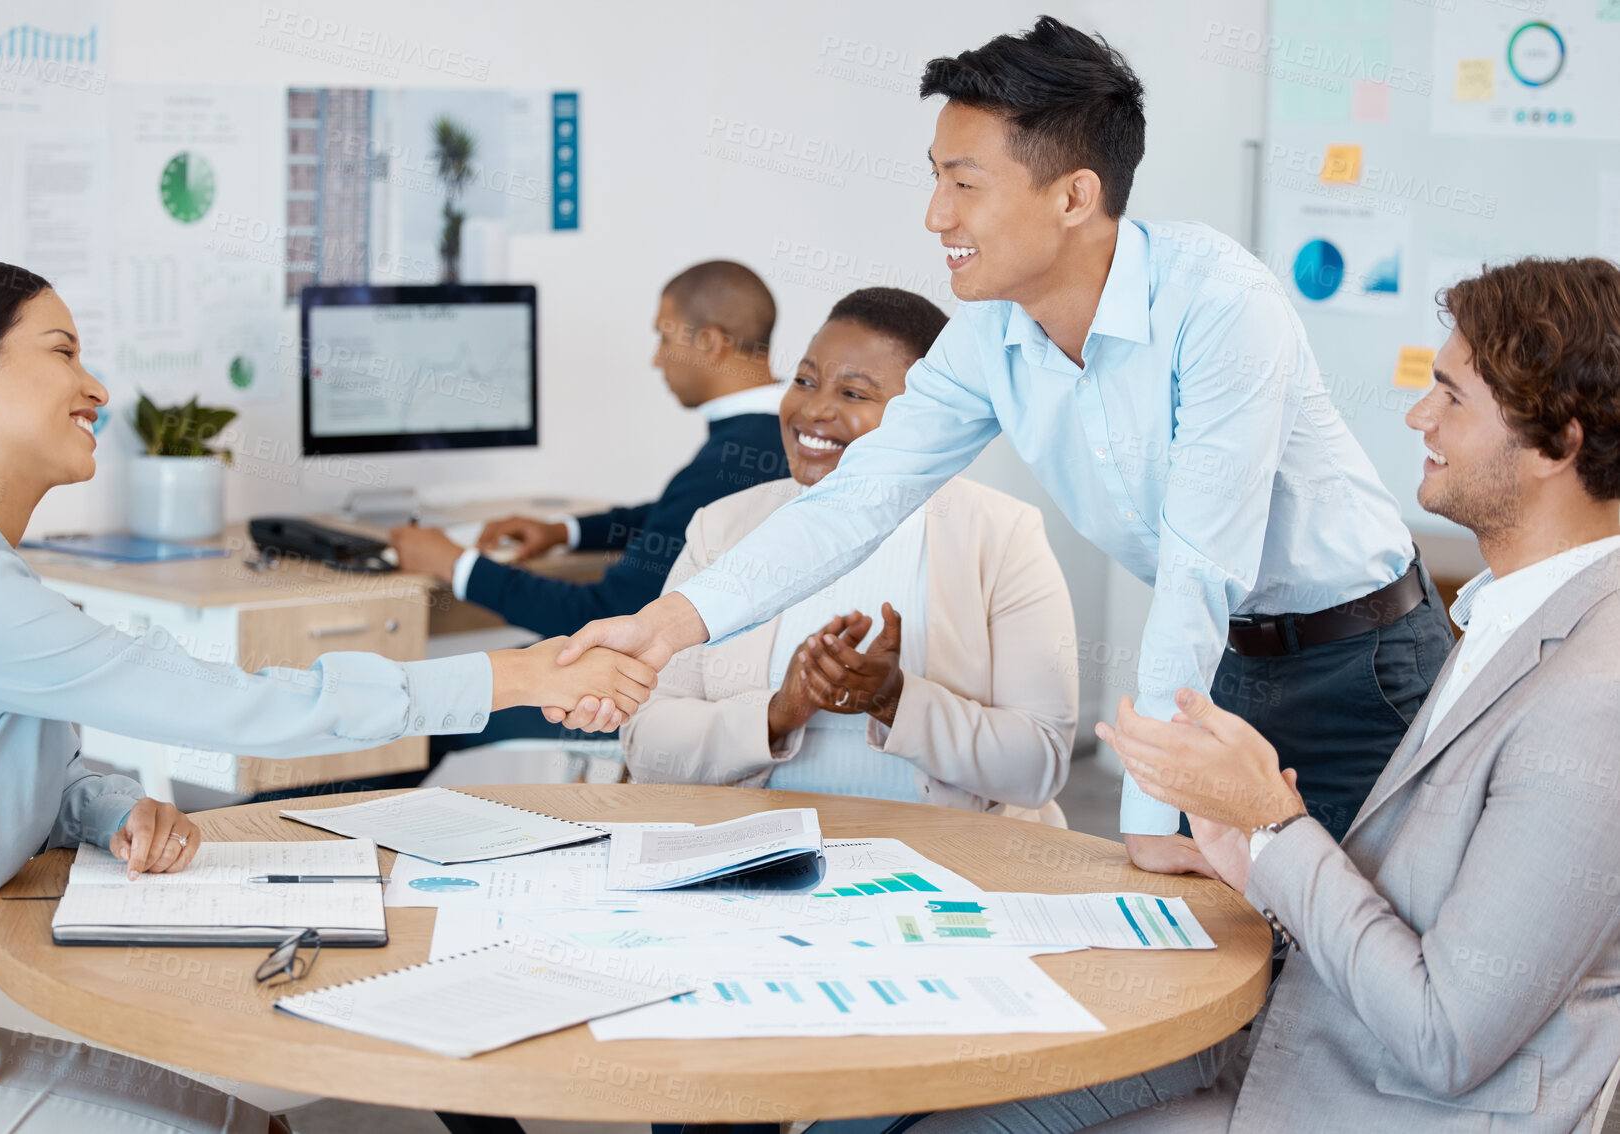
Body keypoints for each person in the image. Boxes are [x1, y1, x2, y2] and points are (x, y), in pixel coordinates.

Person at [559, 18, 1455, 877]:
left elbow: (1200, 567)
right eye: (934, 179)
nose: (934, 215)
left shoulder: (1220, 303)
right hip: (1227, 663)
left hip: (1361, 662)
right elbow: (851, 500)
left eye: (963, 183)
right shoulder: (991, 340)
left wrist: (1145, 815)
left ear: (1073, 195)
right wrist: (665, 627)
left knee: (1353, 960)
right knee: (1229, 952)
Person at [0, 262, 655, 1133]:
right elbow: (236, 703)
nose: (95, 385)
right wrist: (519, 677)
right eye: (63, 352)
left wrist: (112, 805)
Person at [892, 257, 1620, 1132]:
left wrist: (1275, 825)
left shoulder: (1593, 699)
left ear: (1560, 443)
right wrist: (1253, 852)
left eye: (1453, 397)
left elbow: (1448, 1037)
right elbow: (1431, 904)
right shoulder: (1513, 617)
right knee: (936, 1109)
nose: (1417, 414)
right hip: (1309, 1042)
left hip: (1368, 1101)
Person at [624, 288, 1076, 813]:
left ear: (927, 418)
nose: (813, 410)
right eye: (804, 380)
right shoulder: (724, 525)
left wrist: (895, 701)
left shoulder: (1003, 535)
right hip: (760, 865)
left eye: (854, 394)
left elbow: (1040, 765)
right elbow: (645, 743)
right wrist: (775, 714)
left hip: (948, 869)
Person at [387, 259, 789, 638]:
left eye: (664, 338)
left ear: (710, 342)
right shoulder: (781, 435)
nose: (657, 360)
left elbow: (602, 617)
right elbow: (681, 517)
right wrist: (566, 530)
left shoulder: (727, 461)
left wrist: (454, 564)